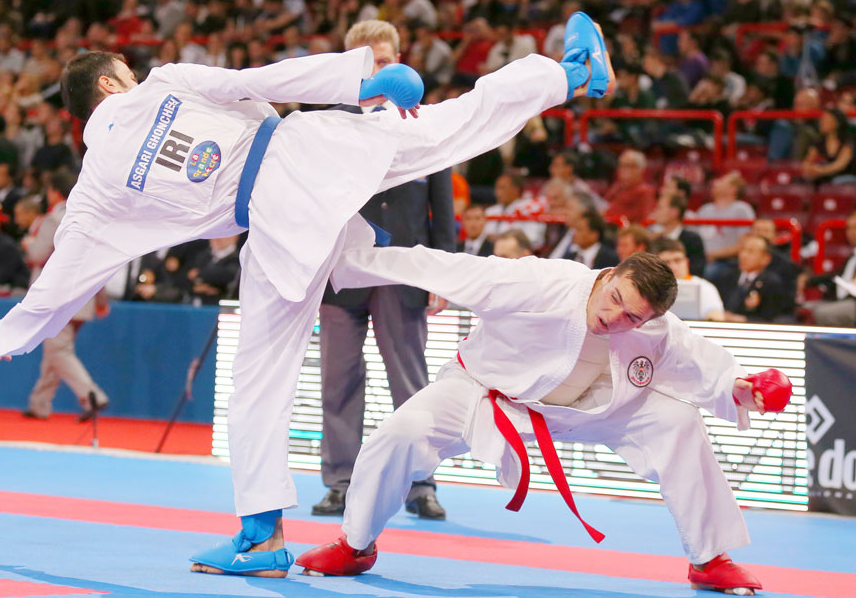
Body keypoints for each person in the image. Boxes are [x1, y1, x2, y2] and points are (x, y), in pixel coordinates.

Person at [0, 12, 616, 578]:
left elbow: (66, 271)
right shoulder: (163, 82)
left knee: (258, 378)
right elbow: (257, 80)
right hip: (310, 151)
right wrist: (358, 83)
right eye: (124, 73)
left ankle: (262, 535)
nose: (133, 77)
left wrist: (9, 333)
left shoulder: (95, 189)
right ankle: (571, 74)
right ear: (110, 84)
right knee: (448, 127)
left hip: (276, 226)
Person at [297, 248, 786, 597]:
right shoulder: (539, 282)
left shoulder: (656, 327)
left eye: (632, 318)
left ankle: (709, 558)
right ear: (609, 274)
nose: (615, 317)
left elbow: (700, 360)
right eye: (615, 298)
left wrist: (740, 385)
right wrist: (349, 259)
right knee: (402, 431)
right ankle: (355, 545)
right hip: (487, 392)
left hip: (594, 408)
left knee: (678, 421)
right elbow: (444, 266)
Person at [313, 20, 454, 521]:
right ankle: (341, 482)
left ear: (401, 59)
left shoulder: (425, 122)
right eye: (369, 61)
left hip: (403, 265)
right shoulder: (327, 122)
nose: (381, 68)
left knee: (411, 384)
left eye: (387, 58)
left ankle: (421, 484)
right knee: (338, 381)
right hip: (341, 268)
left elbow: (442, 203)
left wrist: (443, 271)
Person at [21, 171, 111, 421]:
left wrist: (28, 245)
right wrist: (101, 300)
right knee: (56, 349)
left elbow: (37, 255)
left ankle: (93, 397)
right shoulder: (89, 219)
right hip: (83, 297)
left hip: (58, 297)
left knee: (58, 351)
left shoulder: (53, 219)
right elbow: (97, 261)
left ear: (55, 192)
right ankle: (39, 403)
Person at [717, 234, 787, 323]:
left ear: (765, 258)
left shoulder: (772, 283)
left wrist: (745, 320)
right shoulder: (726, 276)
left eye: (751, 251)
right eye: (742, 250)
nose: (743, 255)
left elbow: (772, 319)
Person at [654, 237, 724, 321]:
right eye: (666, 262)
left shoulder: (705, 287)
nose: (673, 267)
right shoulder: (651, 289)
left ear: (686, 262)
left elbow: (715, 318)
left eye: (677, 260)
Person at [603, 149, 656, 224]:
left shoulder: (645, 192)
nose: (624, 170)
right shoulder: (616, 187)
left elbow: (645, 221)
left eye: (629, 166)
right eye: (621, 165)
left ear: (641, 169)